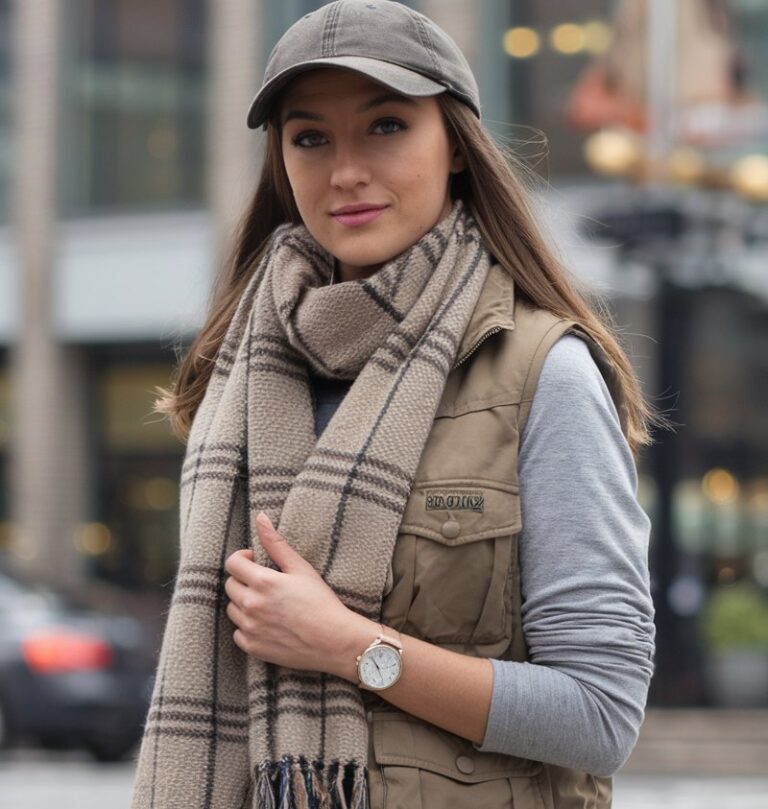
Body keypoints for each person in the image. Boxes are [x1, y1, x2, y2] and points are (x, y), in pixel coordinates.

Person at [130, 2, 668, 808]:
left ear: (454, 143)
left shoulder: (541, 371)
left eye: (386, 126)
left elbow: (601, 713)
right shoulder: (236, 379)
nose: (345, 171)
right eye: (309, 137)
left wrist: (350, 647)